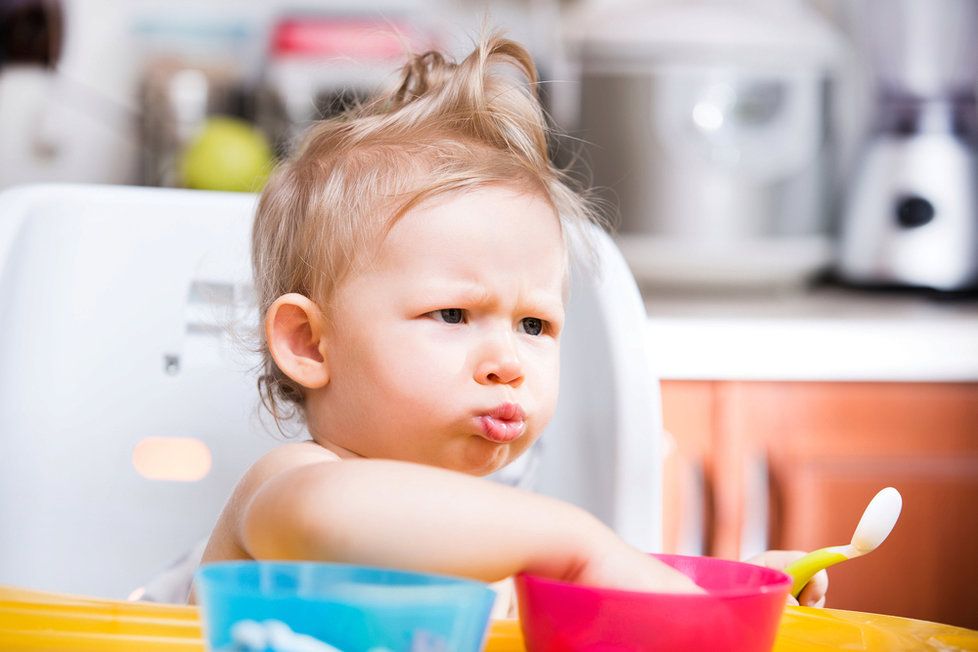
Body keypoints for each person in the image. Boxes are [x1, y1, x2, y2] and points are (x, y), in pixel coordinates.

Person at [197, 33, 827, 610]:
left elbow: (607, 613)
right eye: (453, 314)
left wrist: (723, 598)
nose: (509, 363)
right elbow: (326, 518)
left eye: (533, 325)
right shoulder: (293, 487)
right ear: (309, 343)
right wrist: (578, 546)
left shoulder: (509, 544)